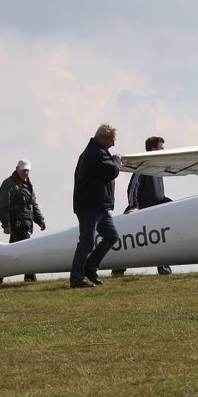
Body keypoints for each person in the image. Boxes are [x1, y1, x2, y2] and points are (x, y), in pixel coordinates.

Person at [70, 123, 122, 288]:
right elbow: (112, 171)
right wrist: (117, 159)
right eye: (112, 140)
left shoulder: (97, 152)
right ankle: (76, 278)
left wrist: (112, 159)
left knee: (112, 236)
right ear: (103, 138)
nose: (113, 144)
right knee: (86, 242)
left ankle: (90, 267)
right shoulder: (95, 153)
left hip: (99, 206)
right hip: (90, 207)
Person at [112, 136, 173, 277]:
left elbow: (158, 194)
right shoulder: (144, 166)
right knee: (134, 242)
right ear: (153, 149)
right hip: (142, 212)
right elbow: (133, 187)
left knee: (160, 240)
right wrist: (134, 206)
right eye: (161, 148)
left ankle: (164, 269)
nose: (164, 151)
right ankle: (118, 269)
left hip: (156, 211)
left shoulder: (158, 168)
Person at [0, 159, 46, 283]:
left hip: (26, 224)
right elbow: (2, 206)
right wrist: (6, 224)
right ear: (17, 169)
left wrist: (40, 220)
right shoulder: (8, 184)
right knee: (28, 251)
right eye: (23, 170)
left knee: (12, 254)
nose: (26, 173)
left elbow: (33, 205)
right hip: (17, 225)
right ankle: (30, 278)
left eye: (27, 170)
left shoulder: (28, 184)